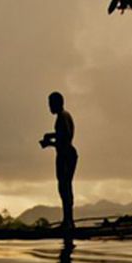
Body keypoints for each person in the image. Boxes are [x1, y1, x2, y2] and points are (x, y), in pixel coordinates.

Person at [40, 92, 78, 236]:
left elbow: (65, 138)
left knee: (65, 188)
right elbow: (62, 136)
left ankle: (68, 222)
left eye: (51, 104)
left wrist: (49, 142)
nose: (49, 107)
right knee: (64, 188)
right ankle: (67, 221)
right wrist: (50, 137)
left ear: (58, 103)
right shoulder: (63, 116)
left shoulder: (62, 116)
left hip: (66, 155)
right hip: (66, 155)